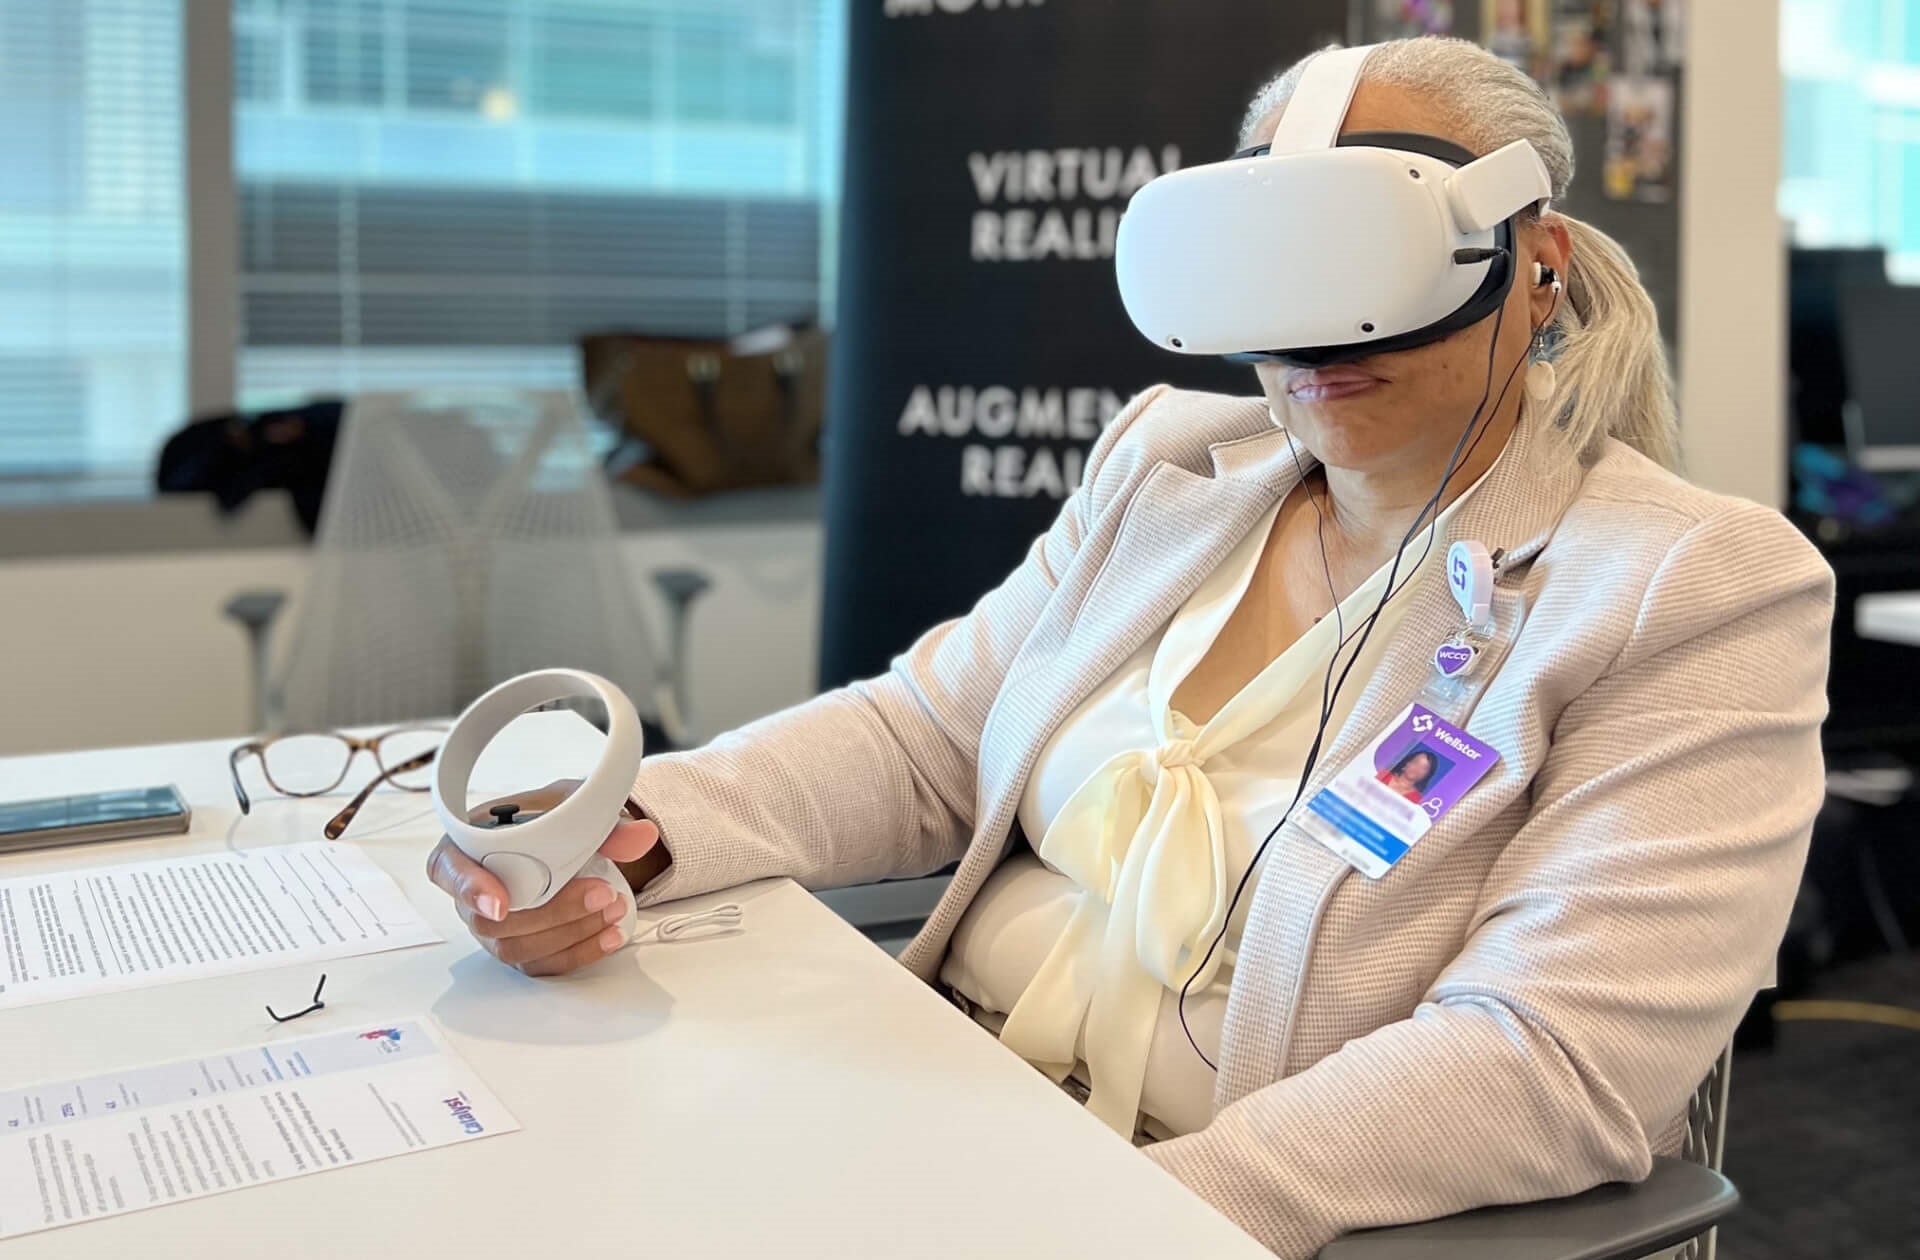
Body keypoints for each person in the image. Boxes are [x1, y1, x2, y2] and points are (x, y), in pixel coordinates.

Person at [426, 37, 1833, 1260]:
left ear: (1537, 272)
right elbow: (926, 736)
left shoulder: (1686, 588)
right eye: (1269, 265)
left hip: (1193, 1197)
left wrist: (1141, 1220)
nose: (1314, 331)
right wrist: (633, 830)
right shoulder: (1172, 465)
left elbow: (1552, 1060)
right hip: (929, 1094)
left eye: (1369, 257)